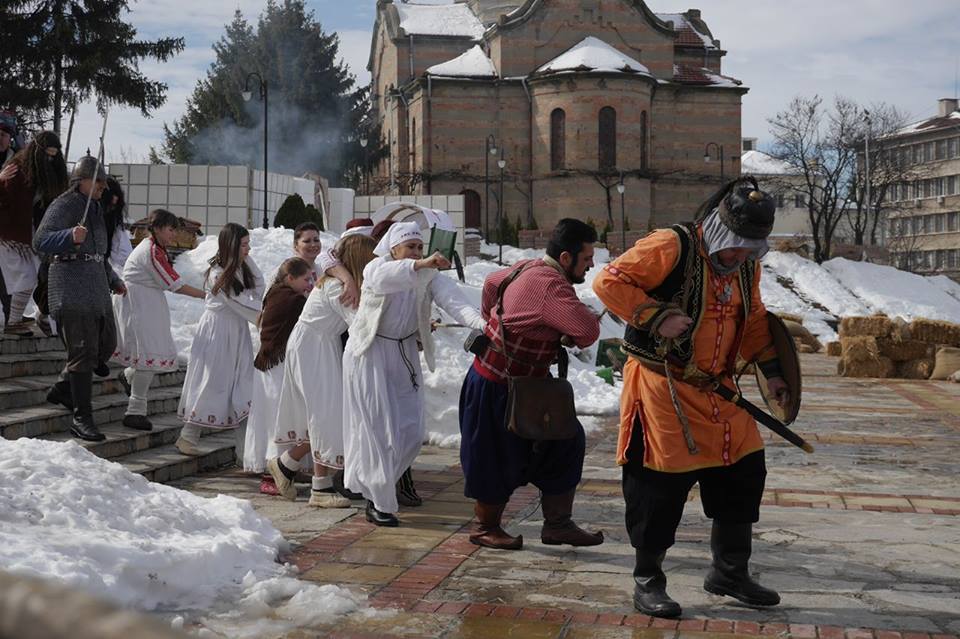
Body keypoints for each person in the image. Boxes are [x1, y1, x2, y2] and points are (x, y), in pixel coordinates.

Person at [592, 178, 788, 618]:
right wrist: (655, 316)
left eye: (750, 249)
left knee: (744, 470)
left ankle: (729, 572)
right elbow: (609, 281)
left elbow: (753, 319)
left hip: (719, 390)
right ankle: (648, 580)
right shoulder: (671, 245)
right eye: (736, 247)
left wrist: (773, 373)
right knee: (658, 486)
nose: (740, 257)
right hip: (663, 386)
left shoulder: (745, 266)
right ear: (720, 230)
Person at [458, 218, 604, 551]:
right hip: (496, 385)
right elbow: (588, 331)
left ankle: (557, 525)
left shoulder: (526, 266)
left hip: (529, 387)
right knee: (494, 456)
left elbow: (492, 284)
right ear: (565, 259)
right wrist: (566, 325)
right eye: (586, 259)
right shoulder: (550, 285)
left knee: (565, 442)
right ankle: (485, 527)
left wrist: (499, 319)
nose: (592, 264)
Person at [342, 222, 483, 526]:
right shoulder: (377, 268)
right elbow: (384, 278)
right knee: (376, 429)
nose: (418, 251)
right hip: (369, 352)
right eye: (411, 246)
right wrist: (420, 263)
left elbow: (456, 303)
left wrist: (484, 325)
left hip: (404, 353)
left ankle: (375, 486)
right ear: (393, 249)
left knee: (411, 432)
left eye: (420, 246)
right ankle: (379, 500)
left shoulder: (428, 275)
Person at [268, 233, 378, 508]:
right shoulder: (336, 287)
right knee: (323, 412)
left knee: (328, 413)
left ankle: (287, 464)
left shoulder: (340, 281)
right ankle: (320, 488)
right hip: (313, 348)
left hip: (318, 345)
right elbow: (358, 323)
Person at [33, 155, 126, 442]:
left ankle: (63, 387)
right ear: (81, 180)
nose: (102, 187)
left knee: (106, 344)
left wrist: (112, 279)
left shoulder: (95, 208)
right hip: (70, 286)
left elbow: (98, 253)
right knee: (83, 351)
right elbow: (40, 240)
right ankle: (81, 417)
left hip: (96, 285)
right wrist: (68, 235)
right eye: (97, 182)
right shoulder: (64, 204)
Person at [113, 209, 205, 431]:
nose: (174, 234)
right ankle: (135, 411)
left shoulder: (155, 249)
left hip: (147, 306)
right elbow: (174, 283)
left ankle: (128, 377)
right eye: (171, 229)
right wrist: (205, 294)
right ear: (157, 228)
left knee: (148, 354)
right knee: (147, 355)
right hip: (139, 306)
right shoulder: (152, 251)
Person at [176, 223, 264, 457]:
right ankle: (188, 436)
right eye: (243, 245)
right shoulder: (217, 273)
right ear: (231, 245)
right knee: (212, 383)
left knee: (244, 386)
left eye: (248, 244)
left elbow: (259, 287)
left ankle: (244, 452)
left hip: (236, 331)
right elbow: (241, 302)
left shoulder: (240, 267)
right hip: (218, 332)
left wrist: (246, 259)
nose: (248, 249)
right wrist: (265, 317)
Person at [245, 257, 314, 488]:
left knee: (276, 417)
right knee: (278, 418)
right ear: (290, 278)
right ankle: (273, 475)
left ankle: (289, 468)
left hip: (271, 365)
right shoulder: (292, 299)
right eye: (306, 279)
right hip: (276, 367)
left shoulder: (276, 294)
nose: (309, 283)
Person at [0, 131, 68, 335]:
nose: (50, 159)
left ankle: (16, 320)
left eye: (54, 155)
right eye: (47, 154)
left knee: (32, 277)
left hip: (27, 233)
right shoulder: (17, 168)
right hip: (8, 233)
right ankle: (13, 322)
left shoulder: (43, 174)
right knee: (26, 277)